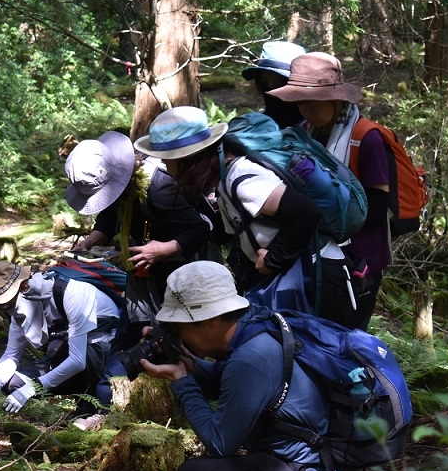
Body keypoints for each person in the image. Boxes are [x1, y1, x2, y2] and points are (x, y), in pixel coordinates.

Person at [138, 261, 350, 471]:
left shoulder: (250, 358)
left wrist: (181, 380)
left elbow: (220, 443)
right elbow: (231, 385)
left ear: (211, 320)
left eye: (180, 327)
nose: (179, 335)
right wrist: (185, 360)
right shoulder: (257, 326)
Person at [134, 106, 356, 326]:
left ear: (187, 160)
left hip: (317, 277)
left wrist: (273, 259)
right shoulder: (222, 177)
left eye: (167, 158)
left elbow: (307, 213)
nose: (163, 163)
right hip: (300, 274)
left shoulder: (244, 179)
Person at [267, 52, 391, 330]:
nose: (306, 111)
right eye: (300, 104)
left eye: (312, 103)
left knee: (346, 336)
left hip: (361, 261)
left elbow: (378, 205)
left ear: (336, 99)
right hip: (319, 257)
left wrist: (329, 218)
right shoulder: (305, 132)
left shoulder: (366, 138)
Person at [64, 130, 217, 327]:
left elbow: (201, 229)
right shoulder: (119, 187)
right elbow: (110, 217)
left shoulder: (160, 189)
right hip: (144, 268)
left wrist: (162, 250)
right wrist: (90, 242)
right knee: (135, 331)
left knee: (173, 329)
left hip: (180, 270)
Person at [0, 260, 121, 411]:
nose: (5, 309)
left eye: (6, 303)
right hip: (74, 356)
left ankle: (91, 407)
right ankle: (83, 400)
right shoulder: (20, 310)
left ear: (24, 287)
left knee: (56, 349)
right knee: (13, 384)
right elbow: (11, 355)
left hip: (109, 353)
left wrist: (31, 389)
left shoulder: (73, 293)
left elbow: (77, 361)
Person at [241, 39, 306, 129]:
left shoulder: (315, 127)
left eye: (278, 82)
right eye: (265, 82)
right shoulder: (253, 124)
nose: (270, 87)